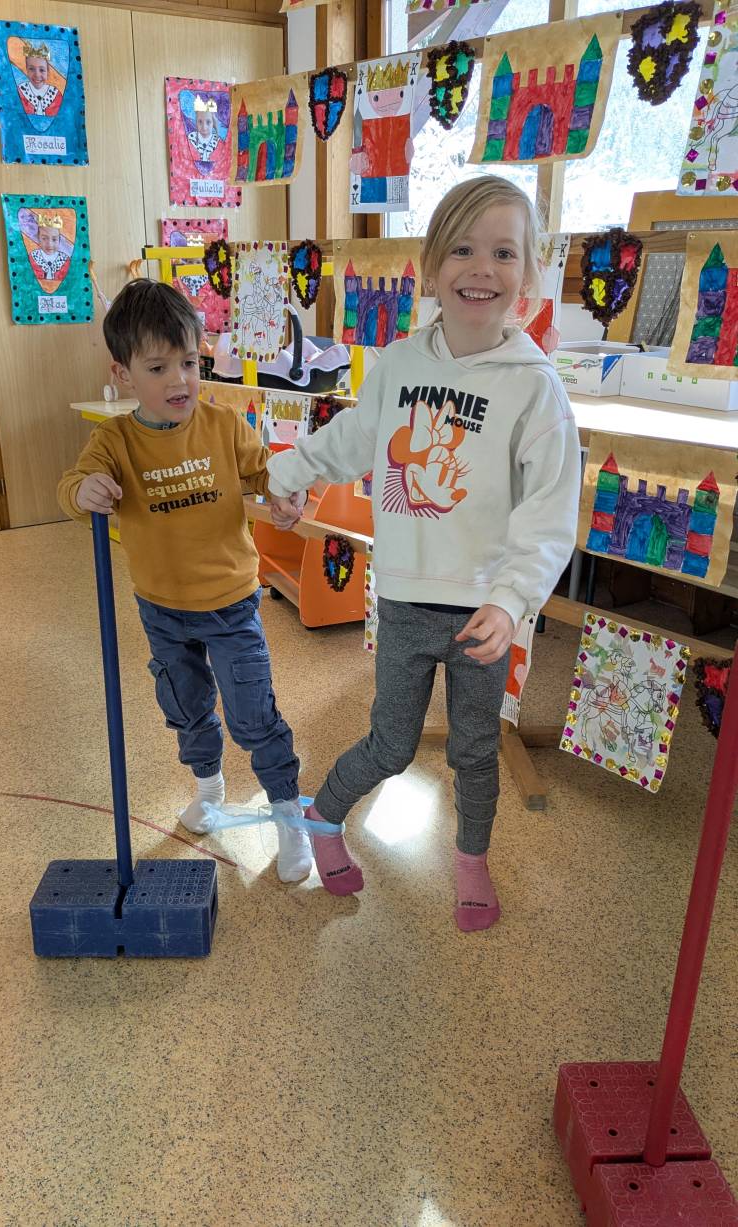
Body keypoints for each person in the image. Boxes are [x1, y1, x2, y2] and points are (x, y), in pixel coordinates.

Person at [268, 174, 581, 929]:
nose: (482, 268)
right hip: (406, 598)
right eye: (464, 250)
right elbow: (351, 439)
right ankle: (322, 816)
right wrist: (290, 473)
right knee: (391, 743)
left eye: (504, 252)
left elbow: (549, 512)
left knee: (476, 749)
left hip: (486, 610)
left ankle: (471, 861)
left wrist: (511, 601)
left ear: (530, 275)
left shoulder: (537, 390)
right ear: (431, 266)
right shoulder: (401, 363)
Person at [57, 279, 312, 883]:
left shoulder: (223, 426)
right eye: (158, 367)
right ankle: (209, 786)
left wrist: (284, 493)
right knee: (186, 708)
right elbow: (74, 484)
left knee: (253, 715)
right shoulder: (114, 441)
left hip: (231, 604)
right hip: (162, 608)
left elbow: (267, 472)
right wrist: (82, 491)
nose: (179, 380)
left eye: (190, 363)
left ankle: (286, 813)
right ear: (121, 373)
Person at [17, 41, 62, 117]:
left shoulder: (56, 95)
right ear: (27, 70)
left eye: (42, 70)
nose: (37, 75)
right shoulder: (20, 91)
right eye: (31, 69)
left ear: (48, 72)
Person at [29, 212, 69, 282]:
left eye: (54, 239)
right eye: (44, 239)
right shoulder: (32, 258)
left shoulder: (65, 260)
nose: (50, 244)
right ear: (38, 239)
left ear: (59, 240)